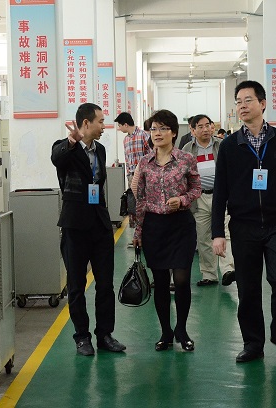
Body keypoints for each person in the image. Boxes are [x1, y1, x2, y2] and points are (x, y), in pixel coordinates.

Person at [211, 80, 276, 363]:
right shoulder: (229, 146)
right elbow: (220, 191)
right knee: (248, 288)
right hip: (243, 226)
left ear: (263, 104)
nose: (242, 106)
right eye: (238, 102)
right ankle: (253, 343)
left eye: (248, 100)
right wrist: (217, 233)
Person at [51, 103, 126, 356]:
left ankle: (104, 334)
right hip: (75, 226)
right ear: (86, 123)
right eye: (101, 121)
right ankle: (82, 336)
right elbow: (57, 158)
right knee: (76, 285)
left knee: (105, 284)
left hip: (100, 225)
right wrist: (71, 141)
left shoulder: (100, 150)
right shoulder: (65, 148)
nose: (104, 126)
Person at [132, 109, 201, 352]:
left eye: (163, 128)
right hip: (154, 227)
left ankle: (182, 329)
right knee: (160, 282)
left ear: (173, 132)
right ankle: (165, 332)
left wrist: (182, 200)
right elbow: (140, 199)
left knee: (181, 280)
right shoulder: (145, 162)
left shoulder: (186, 159)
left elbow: (196, 189)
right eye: (153, 129)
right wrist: (138, 231)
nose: (157, 133)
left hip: (181, 225)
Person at [182, 114, 236, 287]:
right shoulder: (187, 149)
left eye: (208, 125)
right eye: (200, 126)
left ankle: (228, 270)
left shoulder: (222, 145)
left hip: (222, 196)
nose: (205, 129)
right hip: (199, 198)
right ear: (192, 130)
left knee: (225, 233)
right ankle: (209, 274)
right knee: (203, 237)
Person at [115, 112, 152, 245]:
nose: (119, 128)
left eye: (119, 125)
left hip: (145, 176)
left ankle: (148, 236)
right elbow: (127, 159)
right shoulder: (126, 140)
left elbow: (151, 154)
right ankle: (137, 236)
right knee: (134, 208)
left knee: (145, 206)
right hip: (132, 177)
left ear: (125, 124)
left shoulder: (144, 135)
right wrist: (128, 177)